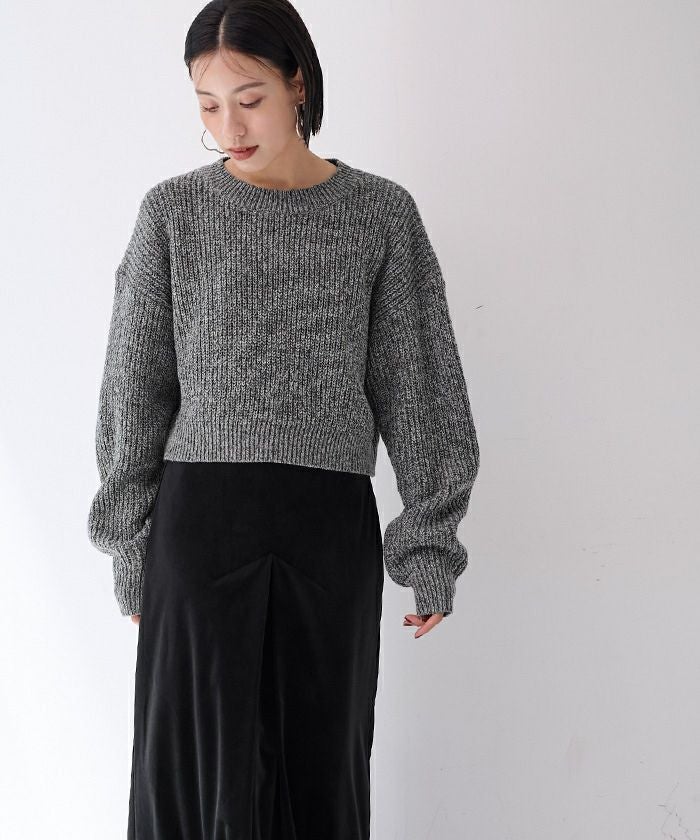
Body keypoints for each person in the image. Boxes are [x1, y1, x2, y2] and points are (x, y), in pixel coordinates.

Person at [86, 0, 480, 836]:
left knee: (320, 779)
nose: (228, 127)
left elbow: (420, 387)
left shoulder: (380, 214)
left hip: (326, 533)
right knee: (196, 784)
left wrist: (429, 544)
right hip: (199, 532)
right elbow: (133, 391)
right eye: (207, 104)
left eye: (250, 99)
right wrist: (131, 547)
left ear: (298, 83)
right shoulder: (173, 213)